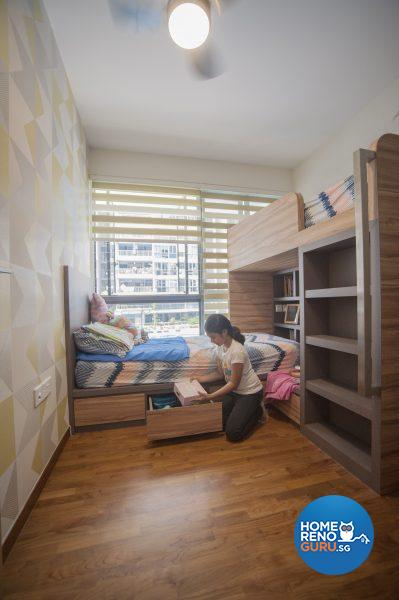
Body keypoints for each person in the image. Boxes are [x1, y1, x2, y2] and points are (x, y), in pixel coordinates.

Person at [195, 314, 264, 442]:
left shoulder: (237, 351)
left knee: (233, 434)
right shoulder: (219, 348)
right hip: (235, 393)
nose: (211, 341)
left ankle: (257, 412)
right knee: (218, 424)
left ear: (224, 332)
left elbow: (233, 383)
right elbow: (220, 374)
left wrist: (210, 396)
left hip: (250, 393)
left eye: (213, 337)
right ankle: (245, 411)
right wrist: (198, 379)